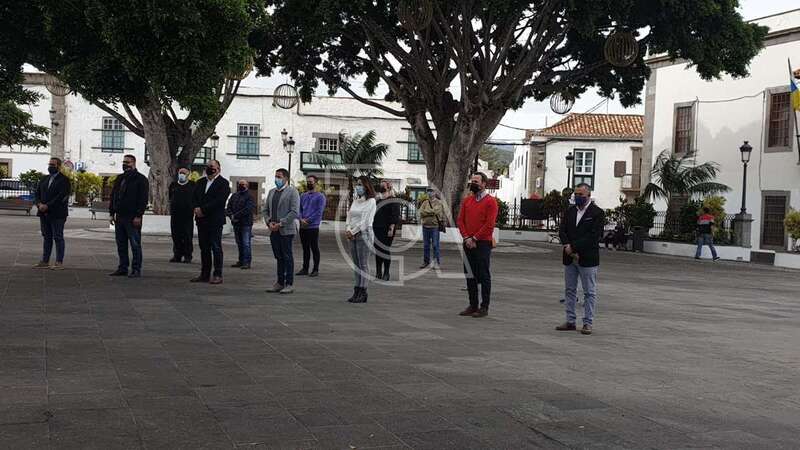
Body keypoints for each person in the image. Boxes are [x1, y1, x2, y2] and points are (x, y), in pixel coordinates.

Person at [556, 183, 604, 335]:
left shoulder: (597, 213)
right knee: (570, 290)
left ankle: (587, 322)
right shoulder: (570, 211)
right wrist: (567, 246)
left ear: (588, 195)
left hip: (587, 258)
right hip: (569, 257)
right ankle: (570, 320)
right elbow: (562, 230)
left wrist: (574, 247)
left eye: (580, 195)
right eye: (575, 194)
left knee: (589, 291)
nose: (577, 197)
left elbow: (594, 236)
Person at [457, 172, 498, 318]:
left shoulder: (490, 202)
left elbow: (489, 224)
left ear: (484, 184)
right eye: (472, 181)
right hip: (468, 242)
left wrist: (474, 238)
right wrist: (467, 237)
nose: (473, 183)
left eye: (476, 181)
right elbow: (460, 220)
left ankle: (484, 306)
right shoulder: (467, 201)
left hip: (483, 243)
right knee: (469, 274)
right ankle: (472, 304)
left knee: (483, 274)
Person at [108, 154, 149, 278]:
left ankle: (136, 269)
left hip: (132, 217)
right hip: (119, 216)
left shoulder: (141, 179)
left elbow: (143, 199)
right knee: (121, 243)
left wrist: (138, 215)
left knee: (135, 244)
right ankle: (123, 267)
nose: (125, 164)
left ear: (134, 163)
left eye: (128, 162)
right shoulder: (120, 178)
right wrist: (111, 213)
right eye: (124, 162)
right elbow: (113, 196)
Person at [191, 160, 231, 285]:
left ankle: (218, 274)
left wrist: (203, 209)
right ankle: (204, 274)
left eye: (212, 166)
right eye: (208, 166)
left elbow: (219, 201)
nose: (209, 168)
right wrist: (196, 208)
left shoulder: (223, 183)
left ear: (218, 168)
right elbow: (194, 197)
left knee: (216, 247)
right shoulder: (200, 182)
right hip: (201, 220)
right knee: (204, 248)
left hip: (214, 219)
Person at [263, 168, 300, 294]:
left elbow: (294, 211)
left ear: (286, 178)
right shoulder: (271, 192)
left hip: (286, 230)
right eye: (275, 176)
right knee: (279, 257)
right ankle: (279, 282)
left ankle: (289, 283)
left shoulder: (292, 192)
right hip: (273, 229)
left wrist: (281, 223)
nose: (276, 179)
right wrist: (269, 222)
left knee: (287, 256)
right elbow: (265, 210)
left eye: (279, 176)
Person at [33, 157, 71, 270]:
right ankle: (45, 261)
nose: (50, 166)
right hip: (43, 213)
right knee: (46, 237)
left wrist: (48, 205)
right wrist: (39, 204)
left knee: (58, 237)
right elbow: (37, 193)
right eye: (49, 164)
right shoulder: (44, 178)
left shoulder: (64, 180)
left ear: (58, 166)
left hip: (57, 214)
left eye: (53, 165)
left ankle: (59, 262)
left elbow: (61, 196)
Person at [346, 176, 377, 303]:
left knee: (363, 264)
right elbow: (349, 216)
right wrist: (348, 228)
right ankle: (356, 290)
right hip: (352, 234)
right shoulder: (356, 200)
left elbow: (366, 221)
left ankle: (363, 291)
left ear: (366, 186)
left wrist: (352, 231)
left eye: (360, 184)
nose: (358, 187)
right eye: (357, 184)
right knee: (356, 265)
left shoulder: (371, 202)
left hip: (364, 234)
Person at [297, 175, 326, 277]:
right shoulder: (302, 196)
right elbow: (299, 209)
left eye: (311, 182)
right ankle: (305, 268)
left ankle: (315, 269)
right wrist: (300, 219)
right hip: (302, 226)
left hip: (313, 226)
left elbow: (319, 212)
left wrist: (308, 220)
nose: (309, 183)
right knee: (305, 248)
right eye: (307, 181)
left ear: (316, 183)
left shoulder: (320, 197)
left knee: (314, 247)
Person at [372, 179, 401, 281]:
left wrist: (391, 228)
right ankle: (378, 272)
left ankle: (386, 272)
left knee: (385, 250)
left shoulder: (393, 200)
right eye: (380, 185)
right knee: (377, 250)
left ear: (388, 187)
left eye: (383, 185)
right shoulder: (377, 200)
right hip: (376, 227)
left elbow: (395, 215)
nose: (381, 187)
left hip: (387, 229)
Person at [226, 179, 256, 270]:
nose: (240, 185)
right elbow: (229, 206)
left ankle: (247, 262)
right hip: (236, 223)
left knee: (246, 243)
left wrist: (236, 215)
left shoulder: (250, 196)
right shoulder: (234, 195)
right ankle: (241, 261)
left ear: (247, 185)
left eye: (243, 184)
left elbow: (248, 209)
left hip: (245, 223)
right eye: (239, 184)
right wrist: (230, 215)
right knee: (239, 242)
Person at [168, 167, 195, 263]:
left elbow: (195, 199)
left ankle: (188, 255)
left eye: (184, 173)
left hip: (187, 215)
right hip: (175, 215)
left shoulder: (192, 185)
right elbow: (170, 197)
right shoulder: (173, 185)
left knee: (187, 236)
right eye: (180, 172)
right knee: (176, 235)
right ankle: (177, 255)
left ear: (188, 174)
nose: (182, 174)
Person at [418, 188, 447, 269]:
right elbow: (421, 212)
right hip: (425, 226)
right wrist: (430, 212)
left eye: (431, 191)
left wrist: (427, 212)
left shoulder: (439, 202)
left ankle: (436, 263)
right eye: (428, 191)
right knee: (426, 245)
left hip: (435, 227)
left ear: (435, 193)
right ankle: (426, 262)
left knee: (435, 245)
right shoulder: (424, 202)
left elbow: (436, 211)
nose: (429, 193)